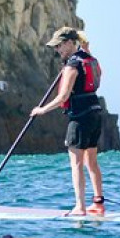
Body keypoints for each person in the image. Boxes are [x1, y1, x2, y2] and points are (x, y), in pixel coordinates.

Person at [30, 26, 106, 216]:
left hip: (80, 117)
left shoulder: (72, 65)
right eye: (56, 47)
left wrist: (42, 110)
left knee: (77, 163)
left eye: (60, 46)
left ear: (71, 43)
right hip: (95, 112)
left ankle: (80, 207)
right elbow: (98, 76)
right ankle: (98, 203)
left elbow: (63, 97)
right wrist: (86, 51)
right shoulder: (90, 59)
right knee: (92, 162)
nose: (57, 50)